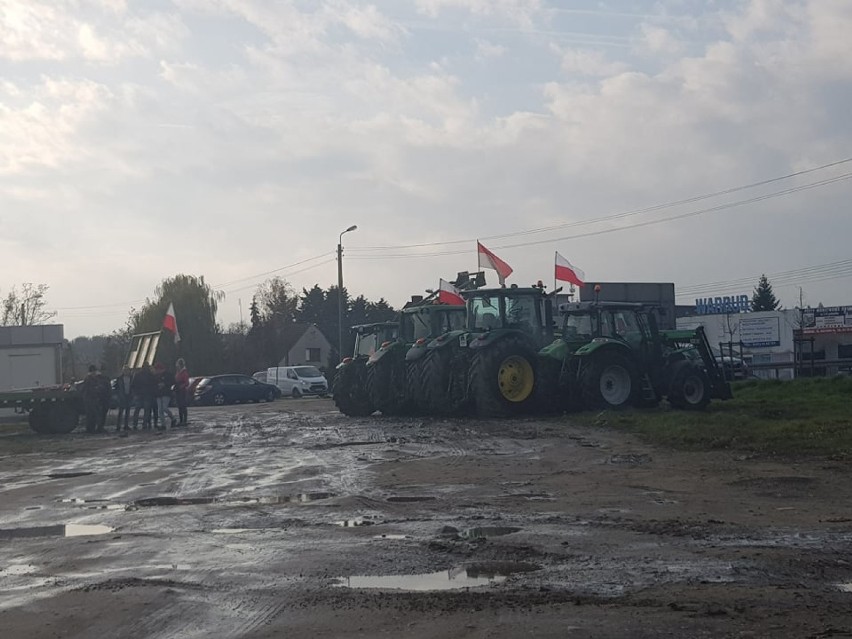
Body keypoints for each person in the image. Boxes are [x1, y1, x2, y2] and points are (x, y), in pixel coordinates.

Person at [81, 365, 105, 433]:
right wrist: (97, 389)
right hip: (90, 399)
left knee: (92, 415)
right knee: (92, 414)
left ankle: (92, 428)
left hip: (92, 399)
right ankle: (91, 429)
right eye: (94, 371)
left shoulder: (91, 378)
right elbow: (90, 389)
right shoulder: (89, 379)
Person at [131, 365, 156, 430]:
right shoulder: (150, 375)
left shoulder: (137, 375)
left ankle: (135, 424)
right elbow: (153, 385)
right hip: (147, 394)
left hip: (139, 394)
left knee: (137, 410)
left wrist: (135, 393)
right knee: (146, 410)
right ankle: (144, 424)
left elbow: (133, 385)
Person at [153, 362, 176, 429]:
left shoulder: (168, 374)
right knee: (160, 410)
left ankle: (173, 418)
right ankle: (163, 424)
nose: (156, 371)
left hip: (166, 393)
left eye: (157, 369)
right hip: (158, 394)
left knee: (164, 408)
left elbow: (173, 381)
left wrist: (165, 384)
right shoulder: (155, 376)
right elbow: (153, 384)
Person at [114, 366, 133, 432]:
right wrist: (118, 395)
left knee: (128, 411)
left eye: (127, 370)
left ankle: (126, 425)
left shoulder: (131, 378)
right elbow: (116, 387)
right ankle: (118, 426)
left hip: (129, 396)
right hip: (122, 396)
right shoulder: (119, 379)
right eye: (125, 370)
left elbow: (133, 387)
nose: (126, 372)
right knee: (120, 412)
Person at [174, 358, 190, 426]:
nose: (176, 366)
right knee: (179, 406)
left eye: (177, 364)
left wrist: (181, 386)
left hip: (182, 391)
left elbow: (187, 383)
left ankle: (184, 420)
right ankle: (181, 420)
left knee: (183, 405)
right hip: (178, 390)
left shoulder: (184, 372)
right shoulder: (178, 372)